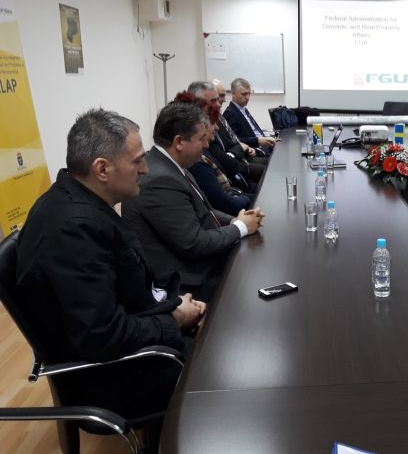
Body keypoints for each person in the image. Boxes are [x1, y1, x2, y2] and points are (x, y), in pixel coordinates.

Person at [15, 109, 205, 419]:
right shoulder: (74, 231)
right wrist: (173, 319)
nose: (145, 169)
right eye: (137, 161)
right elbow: (103, 335)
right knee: (222, 368)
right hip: (116, 375)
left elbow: (123, 293)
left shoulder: (76, 199)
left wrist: (175, 305)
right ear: (102, 169)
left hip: (130, 345)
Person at [121, 102, 264, 302]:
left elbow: (204, 209)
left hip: (205, 263)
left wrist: (234, 221)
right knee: (255, 286)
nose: (207, 145)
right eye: (202, 138)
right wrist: (241, 227)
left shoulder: (171, 164)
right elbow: (194, 243)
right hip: (189, 283)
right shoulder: (159, 180)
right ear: (179, 142)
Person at [223, 77, 279, 153]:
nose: (247, 97)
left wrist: (266, 139)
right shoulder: (230, 113)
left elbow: (254, 131)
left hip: (264, 147)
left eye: (249, 93)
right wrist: (258, 141)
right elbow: (234, 140)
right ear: (233, 94)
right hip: (254, 151)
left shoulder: (243, 109)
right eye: (244, 94)